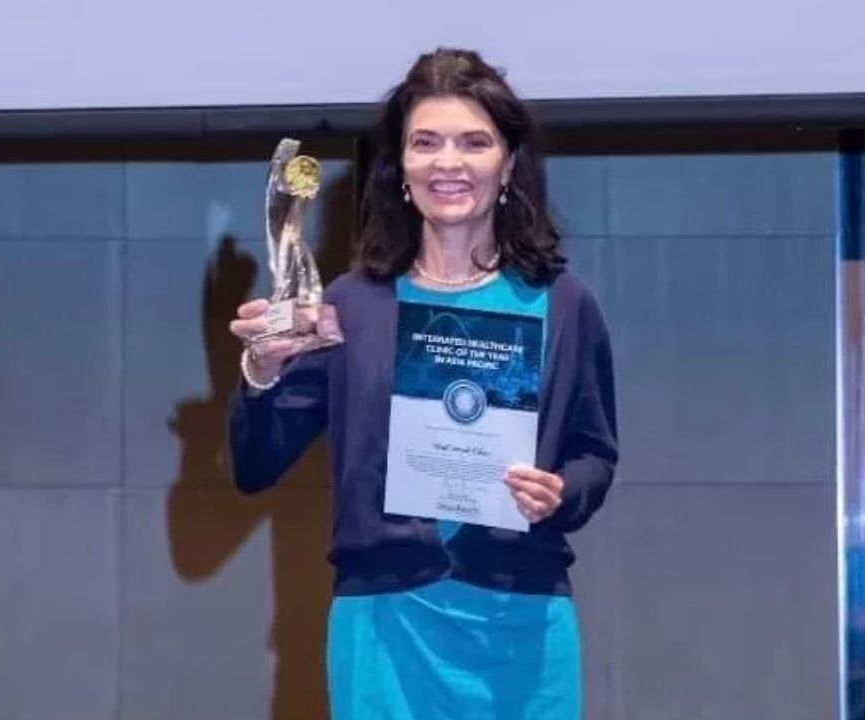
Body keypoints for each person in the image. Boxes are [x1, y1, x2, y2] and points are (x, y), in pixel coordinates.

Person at [228, 47, 618, 720]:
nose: (448, 163)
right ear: (401, 169)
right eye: (426, 143)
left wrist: (558, 494)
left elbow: (594, 456)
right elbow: (255, 464)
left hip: (522, 626)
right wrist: (261, 373)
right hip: (385, 627)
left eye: (474, 142)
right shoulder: (350, 306)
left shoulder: (562, 303)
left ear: (507, 166)